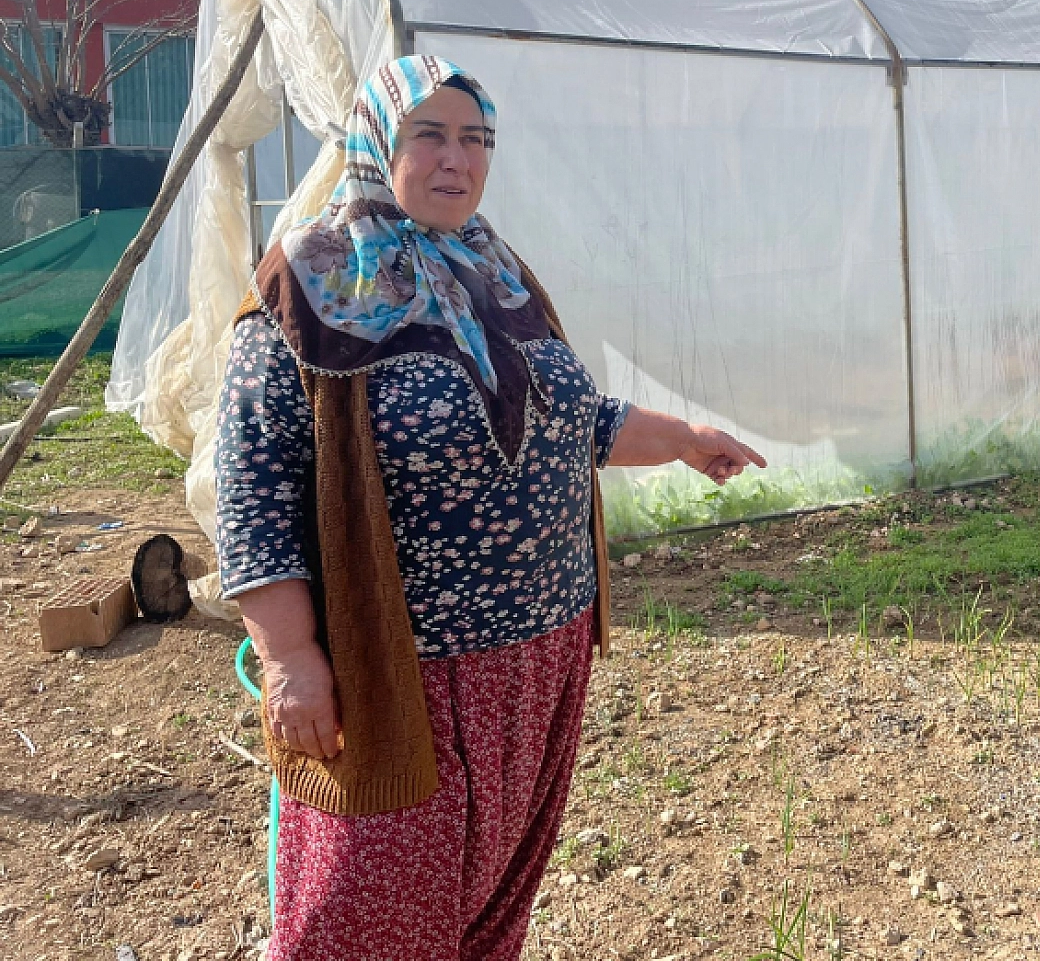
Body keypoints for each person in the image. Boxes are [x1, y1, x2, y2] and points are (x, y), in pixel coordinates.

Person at [213, 55, 763, 960]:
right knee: (364, 908)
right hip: (400, 666)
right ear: (375, 145)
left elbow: (573, 418)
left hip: (541, 653)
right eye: (427, 134)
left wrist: (684, 437)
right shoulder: (306, 284)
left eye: (475, 139)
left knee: (491, 897)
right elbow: (253, 489)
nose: (454, 159)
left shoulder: (497, 270)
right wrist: (291, 659)